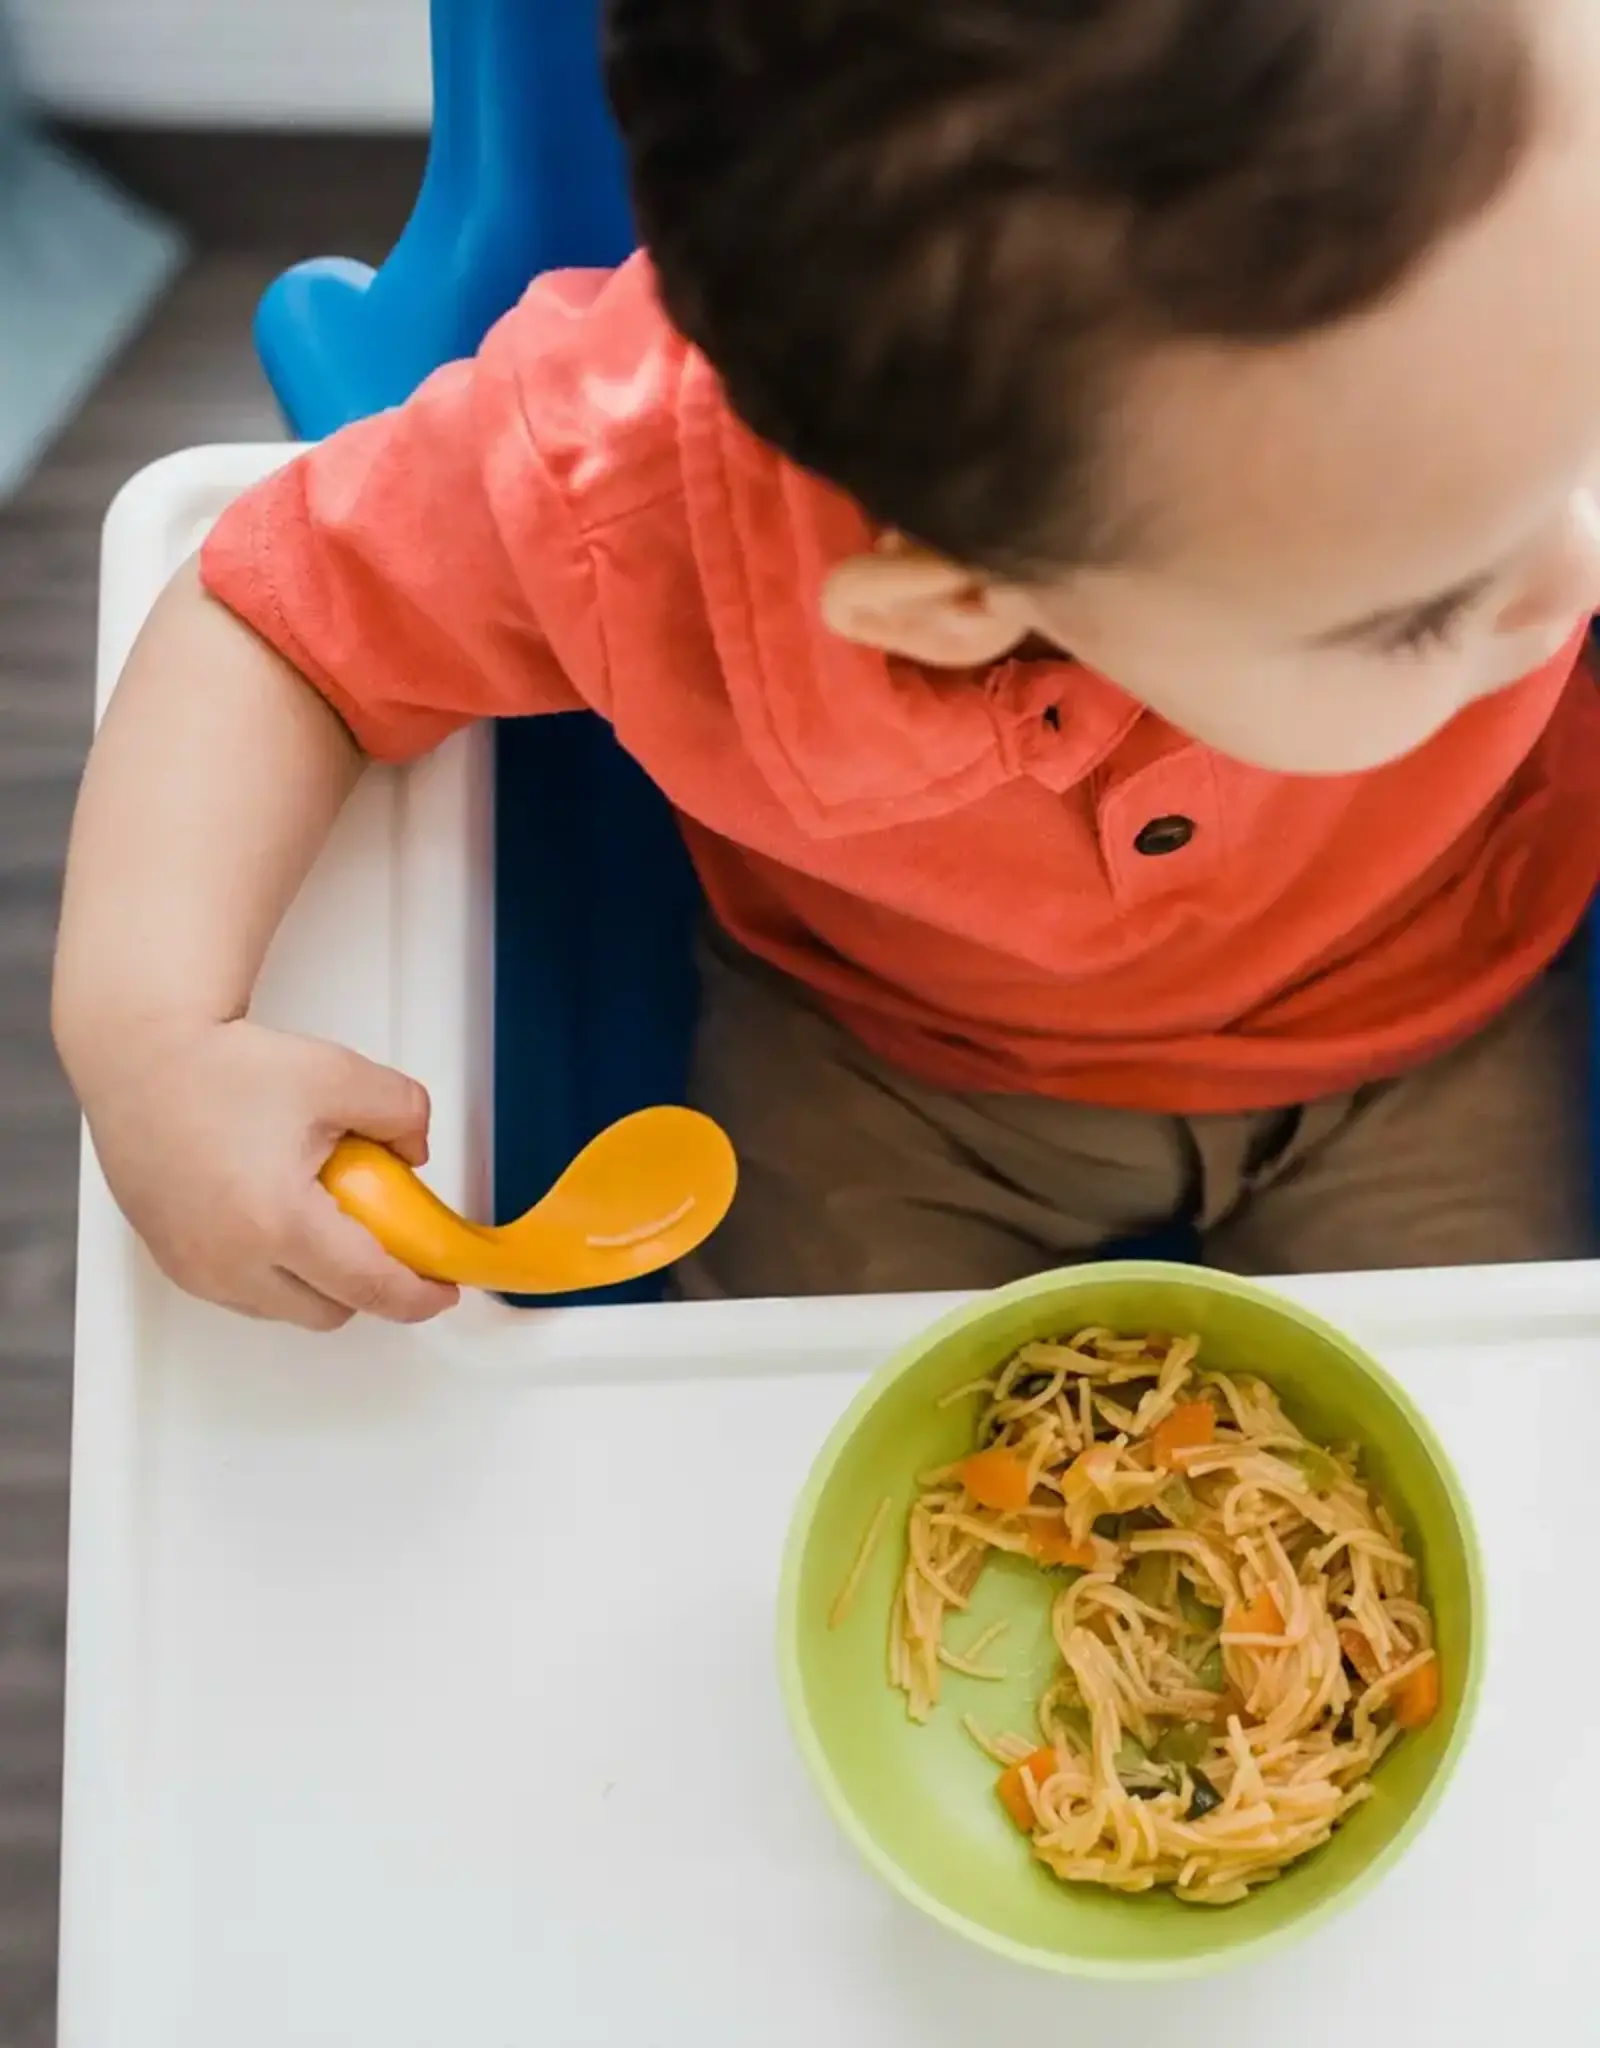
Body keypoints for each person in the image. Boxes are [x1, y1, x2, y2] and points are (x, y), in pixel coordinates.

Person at [52, 0, 1600, 1328]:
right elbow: (276, 622)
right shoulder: (626, 501)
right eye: (1420, 605)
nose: (1571, 578)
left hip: (1434, 1009)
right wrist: (155, 1041)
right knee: (795, 1526)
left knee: (1494, 1523)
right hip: (892, 1074)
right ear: (954, 606)